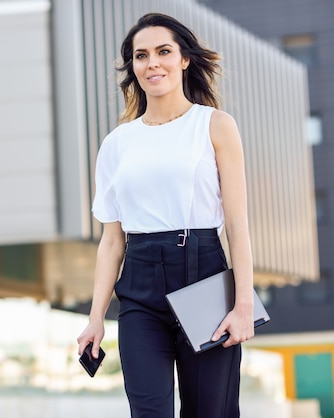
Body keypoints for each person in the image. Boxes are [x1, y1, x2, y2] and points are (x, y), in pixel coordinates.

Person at [76, 12, 255, 418]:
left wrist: (242, 304)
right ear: (133, 67)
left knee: (211, 411)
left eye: (163, 52)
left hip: (205, 276)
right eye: (141, 55)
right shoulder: (117, 143)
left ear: (184, 59)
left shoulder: (214, 125)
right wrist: (95, 318)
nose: (152, 63)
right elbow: (112, 240)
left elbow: (238, 225)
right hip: (140, 289)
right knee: (149, 412)